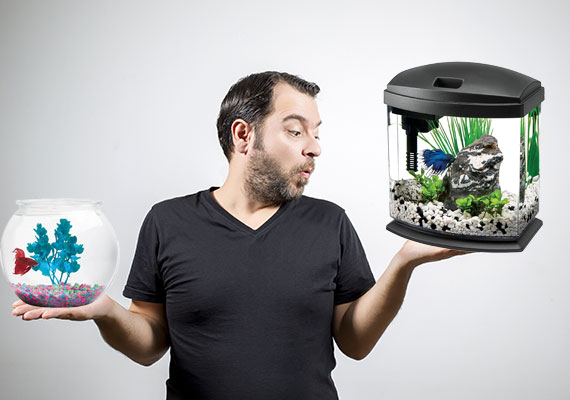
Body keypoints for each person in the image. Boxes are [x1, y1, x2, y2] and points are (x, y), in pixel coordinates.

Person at [11, 71, 470, 399]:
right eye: (295, 131)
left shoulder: (329, 222)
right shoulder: (167, 222)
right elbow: (150, 344)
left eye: (315, 133)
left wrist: (404, 261)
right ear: (243, 135)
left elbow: (355, 342)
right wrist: (105, 311)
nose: (315, 147)